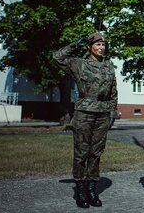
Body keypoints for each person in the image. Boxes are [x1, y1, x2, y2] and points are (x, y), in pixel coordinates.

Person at [53, 32, 117, 208]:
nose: (101, 48)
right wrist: (76, 43)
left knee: (96, 153)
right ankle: (80, 190)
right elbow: (57, 57)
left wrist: (112, 111)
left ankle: (91, 190)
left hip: (102, 113)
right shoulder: (78, 64)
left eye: (103, 45)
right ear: (90, 47)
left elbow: (113, 92)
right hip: (84, 112)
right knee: (81, 152)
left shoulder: (109, 67)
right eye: (97, 45)